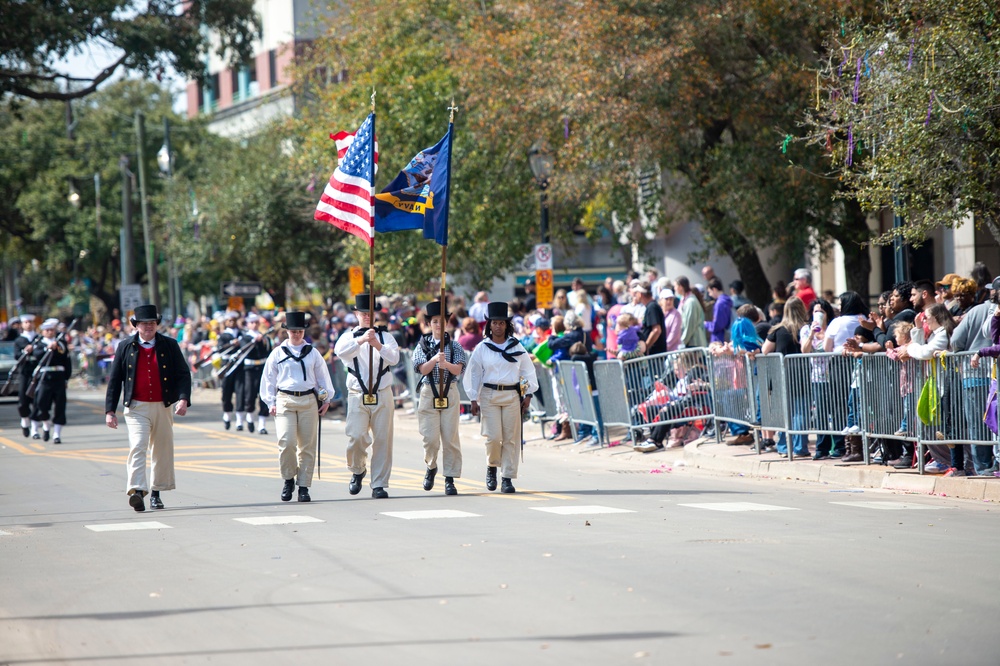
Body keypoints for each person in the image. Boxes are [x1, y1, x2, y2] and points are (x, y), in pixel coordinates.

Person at [105, 304, 192, 512]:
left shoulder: (169, 345)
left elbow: (182, 373)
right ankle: (136, 491)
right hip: (136, 407)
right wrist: (110, 410)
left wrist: (183, 398)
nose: (148, 327)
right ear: (136, 326)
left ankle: (156, 493)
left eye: (152, 323)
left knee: (161, 450)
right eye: (144, 324)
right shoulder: (126, 346)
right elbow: (115, 380)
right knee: (138, 445)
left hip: (163, 405)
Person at [463, 302, 539, 494]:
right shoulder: (482, 347)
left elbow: (528, 370)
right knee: (493, 437)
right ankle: (491, 466)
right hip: (489, 394)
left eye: (501, 323)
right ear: (489, 325)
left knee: (511, 439)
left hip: (511, 394)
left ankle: (507, 478)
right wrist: (473, 398)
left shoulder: (516, 346)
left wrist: (528, 394)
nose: (498, 326)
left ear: (507, 325)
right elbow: (474, 373)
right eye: (494, 323)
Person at [260, 311, 334, 502]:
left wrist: (326, 400)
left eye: (300, 331)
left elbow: (323, 378)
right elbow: (268, 379)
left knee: (307, 446)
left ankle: (303, 486)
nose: (297, 334)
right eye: (293, 331)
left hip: (308, 400)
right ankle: (288, 479)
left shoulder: (313, 353)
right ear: (287, 332)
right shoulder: (277, 353)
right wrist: (270, 402)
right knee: (286, 442)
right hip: (285, 399)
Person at [334, 293, 400, 499]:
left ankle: (379, 483)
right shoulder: (348, 336)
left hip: (382, 393)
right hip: (357, 394)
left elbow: (394, 358)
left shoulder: (386, 337)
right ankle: (357, 469)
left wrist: (377, 344)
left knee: (382, 440)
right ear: (356, 314)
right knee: (356, 437)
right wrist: (362, 340)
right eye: (363, 313)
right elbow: (341, 352)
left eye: (370, 313)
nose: (366, 317)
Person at [412, 301, 467, 496]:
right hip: (429, 392)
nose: (438, 325)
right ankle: (431, 465)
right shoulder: (421, 345)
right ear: (429, 323)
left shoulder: (455, 346)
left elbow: (459, 369)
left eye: (442, 321)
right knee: (430, 438)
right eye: (435, 321)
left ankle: (450, 478)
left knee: (450, 437)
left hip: (449, 391)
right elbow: (421, 369)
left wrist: (447, 365)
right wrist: (435, 360)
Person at [29, 318, 72, 444]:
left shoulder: (61, 343)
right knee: (41, 403)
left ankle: (57, 434)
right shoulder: (39, 343)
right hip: (44, 377)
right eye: (46, 330)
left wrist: (66, 378)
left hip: (58, 376)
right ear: (42, 331)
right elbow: (36, 355)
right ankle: (46, 425)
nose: (49, 332)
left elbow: (66, 359)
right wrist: (47, 348)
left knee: (60, 406)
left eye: (51, 330)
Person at [239, 313, 274, 434]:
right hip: (250, 368)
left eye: (256, 323)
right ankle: (249, 418)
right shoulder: (245, 337)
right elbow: (245, 350)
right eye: (252, 323)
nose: (254, 325)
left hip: (262, 367)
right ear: (248, 324)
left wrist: (262, 341)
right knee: (250, 394)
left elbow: (268, 351)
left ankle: (262, 425)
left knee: (264, 395)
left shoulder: (265, 337)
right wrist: (254, 341)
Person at [217, 311, 246, 431]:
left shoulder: (242, 334)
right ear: (226, 322)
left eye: (234, 320)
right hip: (227, 364)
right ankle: (227, 415)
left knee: (240, 392)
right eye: (230, 320)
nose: (232, 322)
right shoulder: (223, 336)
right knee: (226, 391)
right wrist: (230, 344)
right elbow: (219, 349)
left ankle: (239, 420)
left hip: (239, 365)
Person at [13, 314, 41, 438]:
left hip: (37, 373)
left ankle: (35, 429)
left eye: (30, 322)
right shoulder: (19, 340)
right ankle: (24, 421)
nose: (29, 324)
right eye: (26, 322)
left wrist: (34, 350)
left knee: (37, 401)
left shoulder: (39, 338)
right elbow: (16, 356)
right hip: (25, 373)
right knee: (23, 401)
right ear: (22, 324)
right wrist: (25, 351)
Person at [634, 280, 666, 355]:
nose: (635, 295)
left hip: (655, 355)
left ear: (640, 294)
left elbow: (656, 330)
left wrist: (645, 347)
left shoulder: (652, 307)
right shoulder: (651, 306)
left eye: (636, 293)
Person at [675, 277, 707, 349]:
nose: (675, 288)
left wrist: (683, 341)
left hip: (694, 343)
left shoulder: (690, 302)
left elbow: (690, 324)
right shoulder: (684, 300)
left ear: (680, 287)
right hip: (690, 342)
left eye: (675, 286)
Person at [704, 277, 733, 343]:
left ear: (714, 289)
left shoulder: (720, 304)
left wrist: (706, 324)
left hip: (720, 339)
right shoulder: (727, 300)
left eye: (709, 292)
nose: (709, 294)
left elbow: (717, 325)